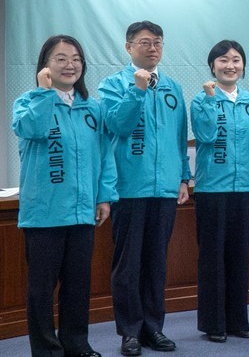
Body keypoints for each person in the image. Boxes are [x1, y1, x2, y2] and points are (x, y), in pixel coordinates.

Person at [14, 35, 117, 357]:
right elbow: (32, 129)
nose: (70, 64)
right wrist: (45, 93)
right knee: (41, 290)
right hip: (44, 213)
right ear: (45, 64)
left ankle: (76, 344)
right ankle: (46, 350)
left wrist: (104, 197)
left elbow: (105, 156)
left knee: (77, 287)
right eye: (60, 58)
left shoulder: (92, 108)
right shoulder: (29, 101)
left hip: (82, 212)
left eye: (76, 58)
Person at [98, 21, 189, 356]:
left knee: (156, 263)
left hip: (165, 189)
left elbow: (180, 137)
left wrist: (183, 176)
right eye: (145, 42)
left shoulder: (172, 87)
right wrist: (136, 91)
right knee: (128, 264)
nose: (153, 48)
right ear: (128, 47)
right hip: (129, 188)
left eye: (158, 42)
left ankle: (153, 328)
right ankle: (130, 332)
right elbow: (117, 125)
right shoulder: (113, 85)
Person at [190, 40, 249, 342]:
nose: (230, 65)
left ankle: (238, 320)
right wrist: (212, 99)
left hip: (246, 189)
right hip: (213, 189)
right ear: (213, 66)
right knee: (213, 257)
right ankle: (213, 323)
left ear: (243, 66)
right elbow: (206, 135)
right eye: (223, 60)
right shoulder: (201, 100)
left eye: (236, 60)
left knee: (239, 256)